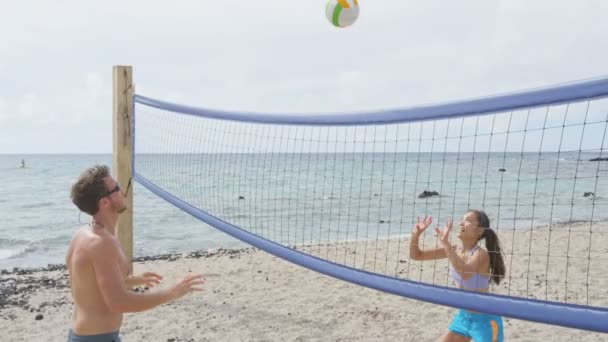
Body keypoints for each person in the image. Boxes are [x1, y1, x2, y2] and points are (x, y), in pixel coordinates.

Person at [66, 165, 205, 341]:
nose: (123, 191)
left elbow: (91, 284)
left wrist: (132, 280)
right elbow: (118, 302)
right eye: (116, 188)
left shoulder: (83, 234)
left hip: (89, 335)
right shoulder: (101, 243)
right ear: (105, 202)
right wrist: (172, 293)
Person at [409, 210, 506, 342]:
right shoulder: (454, 250)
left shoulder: (481, 254)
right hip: (464, 316)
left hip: (486, 320)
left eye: (468, 220)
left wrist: (446, 244)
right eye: (462, 219)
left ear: (479, 231)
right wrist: (416, 235)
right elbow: (417, 255)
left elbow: (464, 273)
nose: (461, 223)